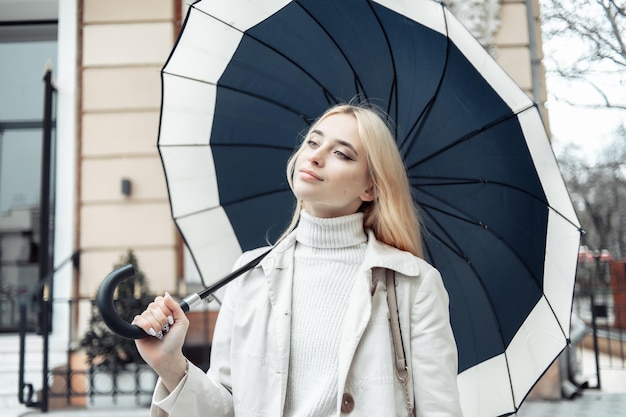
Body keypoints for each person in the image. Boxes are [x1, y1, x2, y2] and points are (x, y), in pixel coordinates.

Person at [133, 103, 464, 417]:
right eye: (313, 142)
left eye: (341, 153)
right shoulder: (251, 275)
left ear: (370, 188)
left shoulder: (412, 283)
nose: (316, 156)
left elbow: (439, 409)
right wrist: (170, 364)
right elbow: (229, 408)